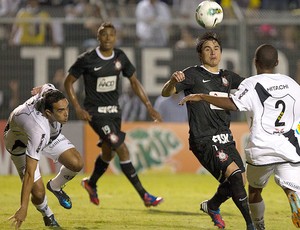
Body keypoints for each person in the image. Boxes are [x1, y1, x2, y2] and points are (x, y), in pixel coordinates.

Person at [179, 44, 300, 230]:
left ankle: (258, 226)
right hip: (289, 149)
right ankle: (292, 195)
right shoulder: (292, 84)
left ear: (255, 62)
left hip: (262, 150)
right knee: (289, 185)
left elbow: (233, 103)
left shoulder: (251, 84)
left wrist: (203, 97)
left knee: (254, 190)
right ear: (277, 63)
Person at [161, 32, 255, 229]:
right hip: (203, 139)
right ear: (200, 54)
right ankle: (251, 225)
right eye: (207, 49)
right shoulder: (193, 74)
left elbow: (252, 86)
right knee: (236, 176)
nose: (213, 52)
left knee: (240, 181)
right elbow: (166, 92)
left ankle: (212, 206)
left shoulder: (227, 77)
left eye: (216, 48)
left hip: (225, 139)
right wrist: (172, 81)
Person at [64, 22, 163, 207]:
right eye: (104, 34)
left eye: (111, 34)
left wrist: (149, 106)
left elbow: (134, 81)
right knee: (121, 148)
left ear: (115, 37)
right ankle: (145, 196)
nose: (108, 38)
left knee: (108, 153)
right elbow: (68, 82)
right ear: (98, 37)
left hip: (114, 113)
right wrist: (77, 107)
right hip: (95, 113)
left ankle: (91, 183)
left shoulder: (120, 57)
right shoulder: (87, 59)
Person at [4, 83, 84, 229]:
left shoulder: (51, 93)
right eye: (60, 110)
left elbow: (46, 86)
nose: (66, 113)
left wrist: (38, 88)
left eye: (67, 108)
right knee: (39, 193)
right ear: (48, 112)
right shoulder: (38, 128)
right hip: (20, 144)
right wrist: (23, 207)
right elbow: (29, 173)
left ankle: (55, 186)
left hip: (49, 138)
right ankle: (48, 216)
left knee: (77, 163)